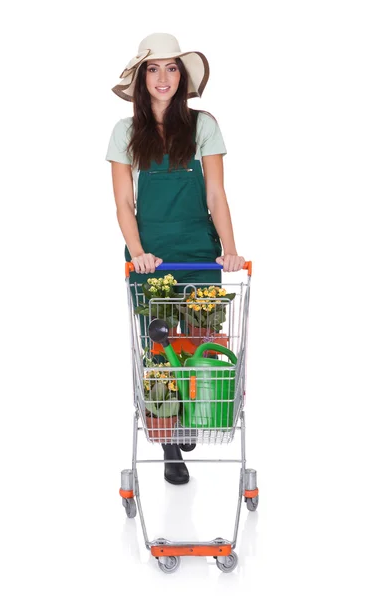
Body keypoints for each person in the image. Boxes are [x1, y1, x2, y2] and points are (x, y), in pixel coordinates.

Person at [105, 32, 245, 485]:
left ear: (181, 77)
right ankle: (170, 446)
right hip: (152, 257)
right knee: (161, 352)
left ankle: (194, 416)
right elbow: (125, 204)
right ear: (142, 78)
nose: (163, 77)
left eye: (171, 68)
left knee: (202, 344)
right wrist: (140, 252)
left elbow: (216, 194)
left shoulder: (203, 124)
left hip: (201, 251)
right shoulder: (125, 132)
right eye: (153, 68)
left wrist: (228, 250)